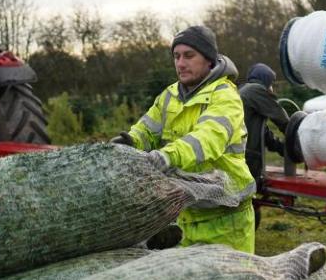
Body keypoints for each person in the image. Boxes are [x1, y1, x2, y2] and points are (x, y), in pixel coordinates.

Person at [112, 25, 256, 253]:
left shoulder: (226, 97)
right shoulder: (169, 95)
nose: (180, 63)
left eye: (189, 56)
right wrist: (129, 141)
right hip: (183, 215)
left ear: (209, 60)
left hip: (225, 219)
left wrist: (166, 157)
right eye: (176, 56)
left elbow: (207, 139)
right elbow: (147, 130)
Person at [238, 63, 289, 186]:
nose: (272, 88)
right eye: (271, 84)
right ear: (265, 80)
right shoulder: (256, 90)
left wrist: (281, 148)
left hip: (239, 155)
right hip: (248, 158)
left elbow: (263, 133)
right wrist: (296, 138)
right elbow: (281, 118)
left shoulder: (243, 91)